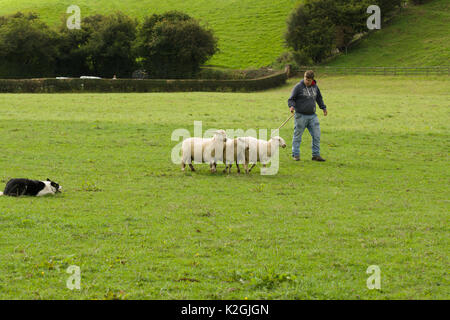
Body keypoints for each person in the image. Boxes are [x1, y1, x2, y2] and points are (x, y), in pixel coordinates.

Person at [288, 70, 327, 162]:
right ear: (304, 77)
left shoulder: (315, 87)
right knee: (297, 136)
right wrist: (292, 106)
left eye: (309, 80)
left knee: (317, 135)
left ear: (312, 80)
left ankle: (316, 155)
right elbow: (291, 99)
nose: (307, 81)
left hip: (313, 116)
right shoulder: (298, 87)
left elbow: (319, 98)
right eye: (305, 79)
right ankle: (296, 154)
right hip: (300, 116)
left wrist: (323, 108)